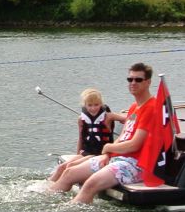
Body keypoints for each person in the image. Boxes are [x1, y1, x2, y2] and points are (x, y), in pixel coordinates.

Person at [47, 63, 166, 204]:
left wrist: (108, 147)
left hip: (135, 164)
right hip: (118, 158)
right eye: (130, 79)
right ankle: (46, 204)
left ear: (148, 82)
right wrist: (107, 154)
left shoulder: (152, 107)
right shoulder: (134, 107)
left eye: (138, 80)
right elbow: (123, 137)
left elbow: (134, 144)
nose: (133, 83)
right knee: (69, 173)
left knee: (90, 185)